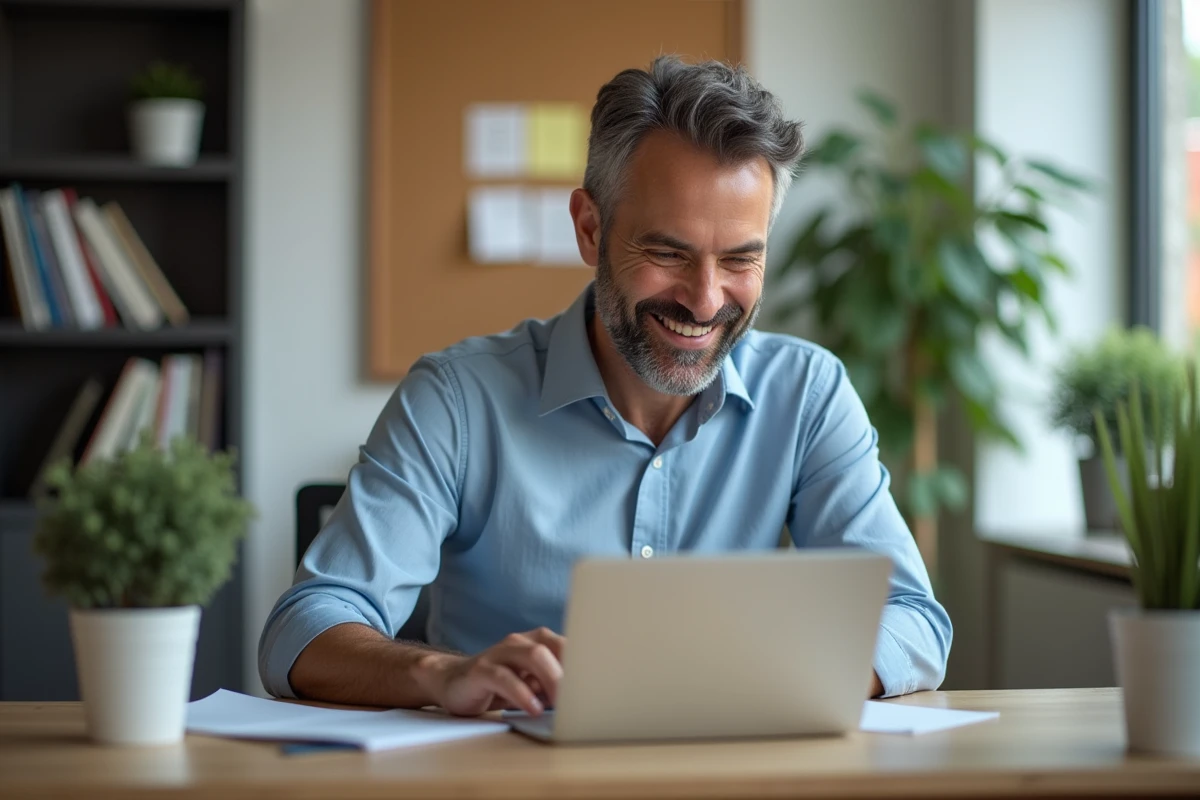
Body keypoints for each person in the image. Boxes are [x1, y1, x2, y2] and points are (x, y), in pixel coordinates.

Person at [259, 56, 952, 716]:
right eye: (667, 253)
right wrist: (443, 673)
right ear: (590, 229)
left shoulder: (807, 394)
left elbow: (915, 622)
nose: (706, 301)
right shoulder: (457, 400)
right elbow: (303, 630)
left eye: (741, 259)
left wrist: (751, 685)